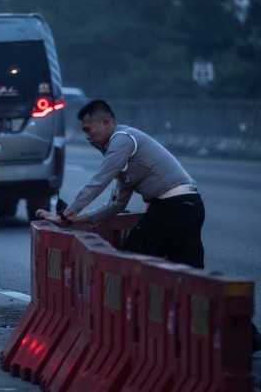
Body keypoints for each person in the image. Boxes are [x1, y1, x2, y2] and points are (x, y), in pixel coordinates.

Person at [36, 98, 261, 353]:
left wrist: (66, 214)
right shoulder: (127, 156)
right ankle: (249, 337)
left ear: (107, 122)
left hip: (173, 208)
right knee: (195, 281)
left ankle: (128, 337)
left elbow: (98, 181)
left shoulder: (123, 139)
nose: (86, 136)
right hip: (188, 208)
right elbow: (117, 205)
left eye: (89, 129)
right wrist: (80, 219)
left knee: (129, 265)